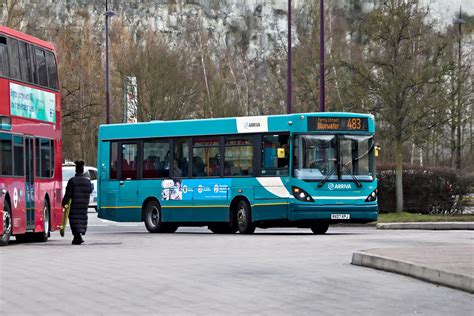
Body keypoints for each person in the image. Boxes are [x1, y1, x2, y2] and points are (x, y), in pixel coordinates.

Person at [62, 160, 93, 245]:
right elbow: (90, 191)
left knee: (74, 219)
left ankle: (77, 236)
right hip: (84, 205)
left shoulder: (72, 181)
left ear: (76, 170)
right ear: (83, 170)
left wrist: (63, 203)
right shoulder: (87, 181)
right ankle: (78, 236)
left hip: (74, 205)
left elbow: (68, 194)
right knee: (81, 219)